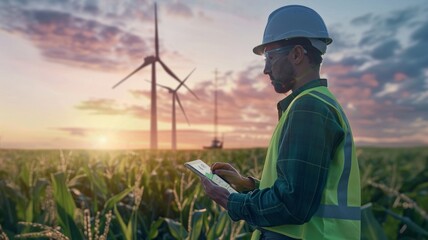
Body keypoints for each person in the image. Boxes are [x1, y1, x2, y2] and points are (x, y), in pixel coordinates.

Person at [200, 5, 361, 240]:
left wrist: (229, 199)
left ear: (296, 54)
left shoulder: (309, 108)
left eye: (270, 57)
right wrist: (247, 185)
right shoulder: (315, 104)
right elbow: (305, 189)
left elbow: (292, 205)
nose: (266, 69)